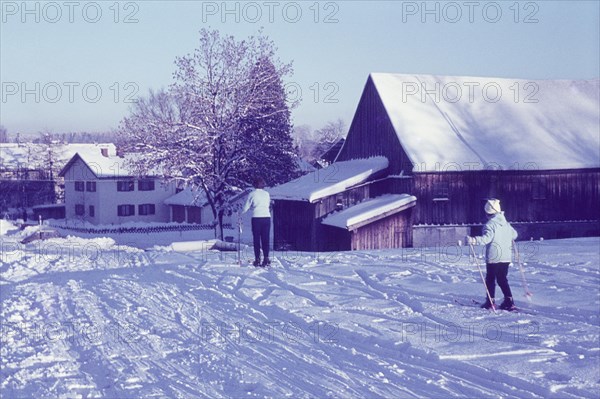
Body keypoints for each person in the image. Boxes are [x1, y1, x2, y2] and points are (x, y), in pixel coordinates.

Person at [466, 198, 518, 311]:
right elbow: (514, 235)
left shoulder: (490, 225)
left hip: (493, 257)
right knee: (502, 279)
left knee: (490, 278)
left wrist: (473, 240)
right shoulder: (506, 223)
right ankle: (509, 301)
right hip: (506, 257)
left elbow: (486, 239)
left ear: (488, 213)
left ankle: (490, 301)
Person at [242, 177, 271, 267]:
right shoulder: (267, 194)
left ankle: (257, 259)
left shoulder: (252, 194)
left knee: (256, 239)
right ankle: (266, 258)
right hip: (267, 217)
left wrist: (240, 213)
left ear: (254, 185)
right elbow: (268, 204)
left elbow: (245, 207)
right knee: (266, 239)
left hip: (256, 218)